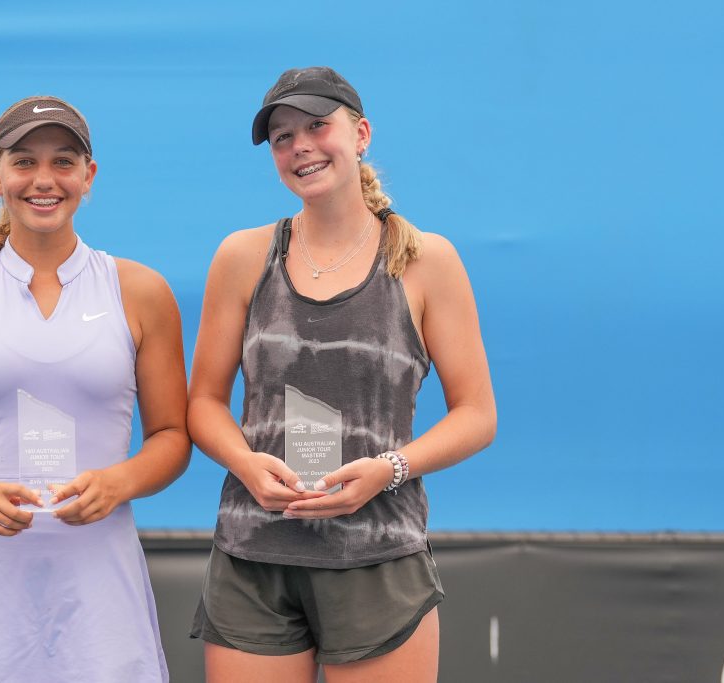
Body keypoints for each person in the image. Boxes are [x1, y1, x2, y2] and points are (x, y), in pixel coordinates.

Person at [187, 67, 496, 682]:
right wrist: (247, 464)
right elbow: (202, 403)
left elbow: (477, 415)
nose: (299, 145)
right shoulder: (242, 257)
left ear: (360, 134)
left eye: (316, 126)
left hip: (379, 554)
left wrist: (390, 469)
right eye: (281, 136)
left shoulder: (427, 260)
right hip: (254, 558)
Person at [0, 95, 189, 683]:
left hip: (100, 582)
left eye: (63, 162)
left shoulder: (141, 290)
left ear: (88, 175)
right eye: (24, 161)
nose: (44, 180)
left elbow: (172, 435)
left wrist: (118, 481)